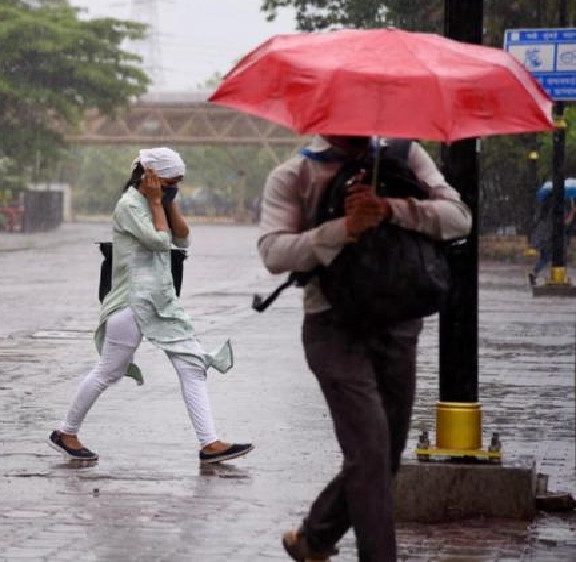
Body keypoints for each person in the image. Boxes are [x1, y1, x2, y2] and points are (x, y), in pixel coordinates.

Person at [258, 136, 472, 561]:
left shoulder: (407, 157)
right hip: (332, 327)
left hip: (398, 322)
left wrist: (392, 209)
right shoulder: (294, 174)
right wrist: (345, 228)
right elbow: (274, 252)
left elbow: (460, 218)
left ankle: (314, 538)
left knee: (384, 454)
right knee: (370, 451)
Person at [49, 147, 252, 464]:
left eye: (179, 182)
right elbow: (159, 241)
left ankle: (209, 443)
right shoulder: (129, 205)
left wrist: (167, 204)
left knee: (192, 366)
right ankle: (66, 432)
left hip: (160, 301)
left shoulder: (159, 203)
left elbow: (181, 239)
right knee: (108, 371)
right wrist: (158, 202)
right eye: (172, 181)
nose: (176, 187)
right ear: (151, 176)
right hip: (133, 302)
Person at [528, 199, 575, 285]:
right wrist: (572, 212)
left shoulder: (549, 210)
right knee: (555, 258)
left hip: (544, 240)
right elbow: (565, 222)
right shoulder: (561, 210)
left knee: (544, 259)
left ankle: (535, 274)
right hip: (551, 241)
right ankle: (538, 273)